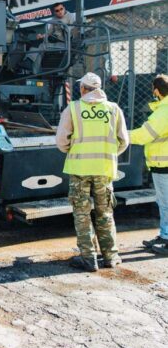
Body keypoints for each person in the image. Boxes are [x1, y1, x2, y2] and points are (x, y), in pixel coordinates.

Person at [56, 72, 129, 272]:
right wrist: (108, 154)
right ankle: (111, 256)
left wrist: (74, 149)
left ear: (82, 88)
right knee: (105, 212)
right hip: (104, 170)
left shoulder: (73, 109)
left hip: (79, 170)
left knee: (82, 213)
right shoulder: (114, 109)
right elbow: (123, 141)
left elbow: (62, 141)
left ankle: (88, 258)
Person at [130, 74, 168, 255]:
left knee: (165, 202)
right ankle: (164, 235)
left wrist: (122, 134)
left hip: (164, 164)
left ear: (156, 91)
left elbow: (145, 135)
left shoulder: (164, 111)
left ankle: (167, 239)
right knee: (163, 201)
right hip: (163, 164)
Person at [25, 2, 76, 74]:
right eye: (57, 11)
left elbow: (72, 30)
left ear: (64, 8)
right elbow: (49, 32)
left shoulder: (70, 16)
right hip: (54, 41)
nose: (60, 12)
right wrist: (42, 36)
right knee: (35, 46)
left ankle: (29, 62)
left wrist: (63, 27)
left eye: (61, 9)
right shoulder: (54, 19)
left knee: (42, 46)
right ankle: (32, 68)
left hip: (64, 43)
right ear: (54, 12)